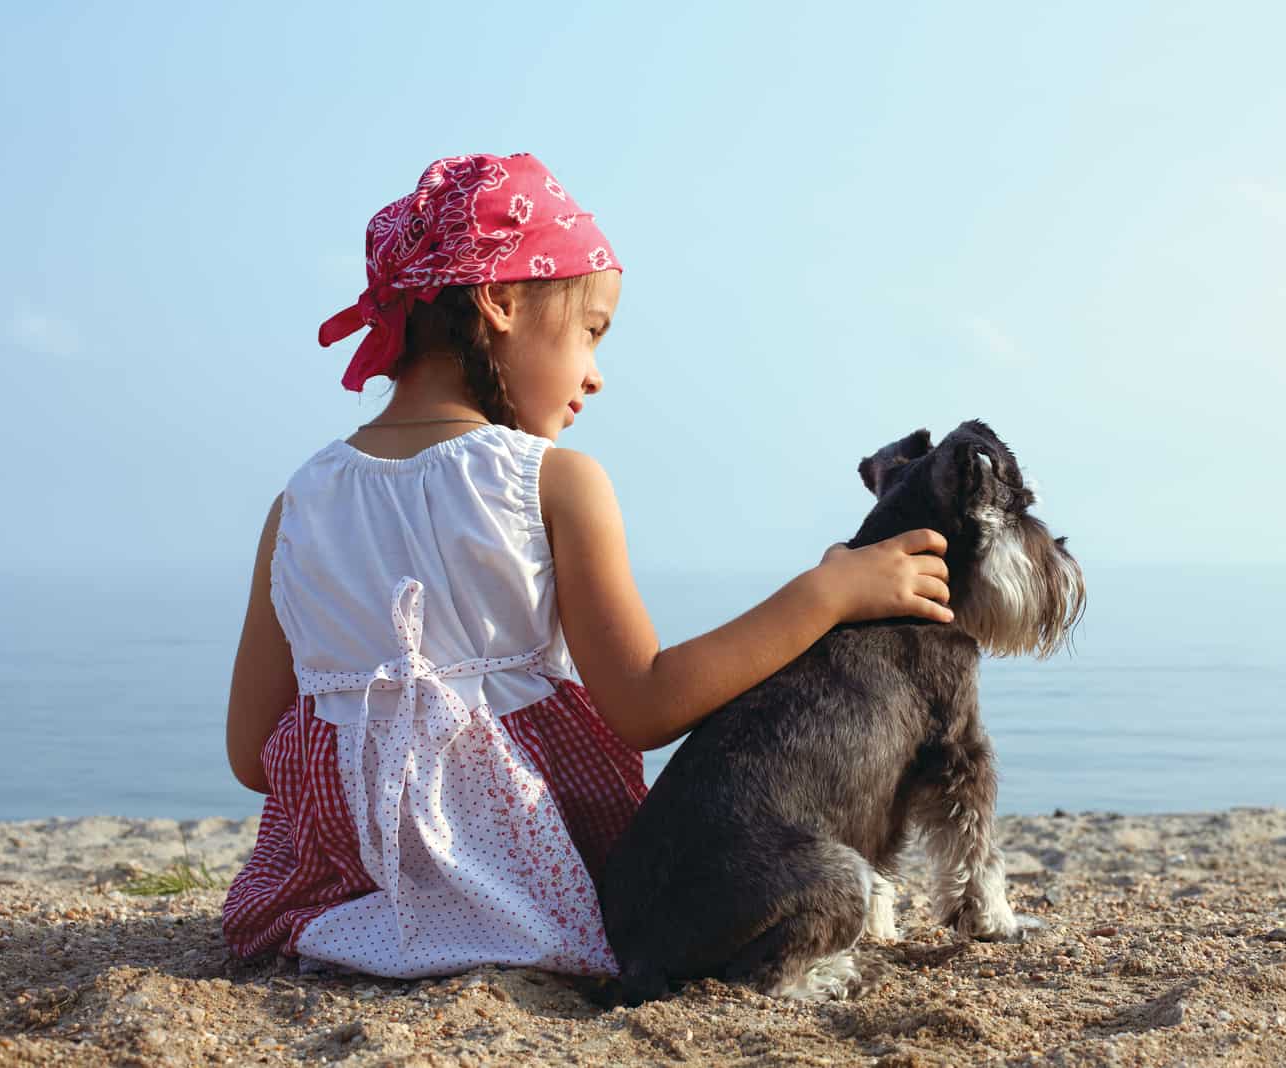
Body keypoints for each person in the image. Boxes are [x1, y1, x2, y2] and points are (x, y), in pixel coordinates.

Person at [220, 153, 955, 979]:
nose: (596, 376)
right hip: (542, 899)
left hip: (339, 903)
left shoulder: (300, 503)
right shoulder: (551, 480)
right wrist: (828, 593)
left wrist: (385, 730)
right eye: (591, 332)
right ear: (499, 301)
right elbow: (646, 703)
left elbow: (254, 755)